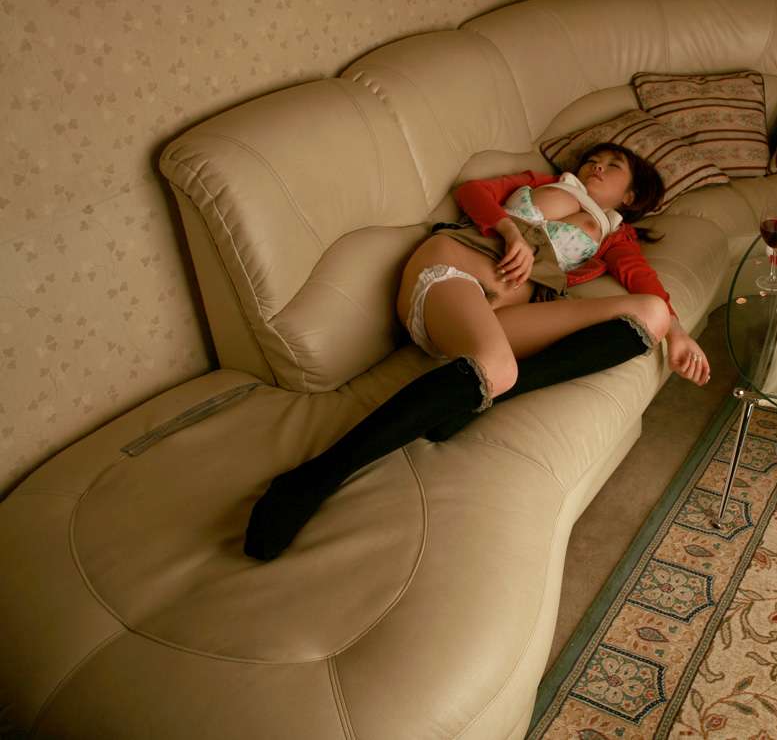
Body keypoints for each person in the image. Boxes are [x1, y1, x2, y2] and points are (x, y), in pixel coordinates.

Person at [243, 143, 711, 560]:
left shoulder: (614, 236)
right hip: (453, 272)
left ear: (631, 195)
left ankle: (481, 393)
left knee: (651, 314)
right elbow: (472, 191)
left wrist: (679, 335)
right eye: (593, 158)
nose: (597, 166)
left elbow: (643, 281)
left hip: (501, 317)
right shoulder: (543, 182)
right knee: (499, 367)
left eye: (613, 165)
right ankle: (313, 478)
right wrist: (509, 231)